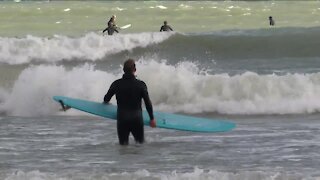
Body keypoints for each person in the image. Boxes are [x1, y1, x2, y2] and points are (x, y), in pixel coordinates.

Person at [104, 59, 156, 145]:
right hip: (137, 119)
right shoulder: (141, 84)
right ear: (135, 70)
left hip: (122, 119)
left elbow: (106, 99)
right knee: (140, 145)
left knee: (123, 147)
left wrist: (106, 104)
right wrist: (152, 119)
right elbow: (147, 103)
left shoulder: (116, 84)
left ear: (123, 70)